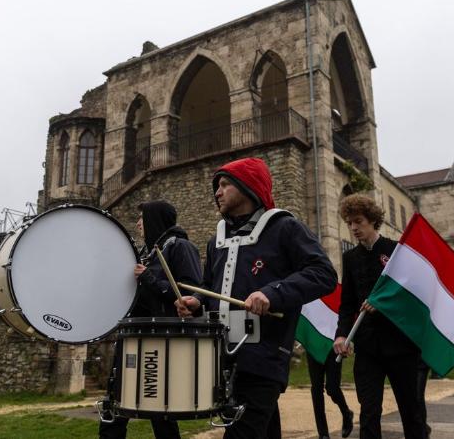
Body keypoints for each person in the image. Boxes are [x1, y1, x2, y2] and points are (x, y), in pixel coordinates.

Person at [176, 157, 337, 439]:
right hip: (225, 357)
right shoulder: (217, 240)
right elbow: (207, 284)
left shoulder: (285, 228)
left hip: (265, 356)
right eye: (217, 186)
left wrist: (271, 293)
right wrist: (197, 302)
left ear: (248, 186)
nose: (217, 192)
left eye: (225, 184)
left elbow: (323, 273)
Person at [99, 200, 202, 439]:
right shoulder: (148, 253)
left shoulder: (180, 247)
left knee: (161, 413)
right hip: (134, 336)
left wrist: (150, 279)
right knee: (115, 404)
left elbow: (191, 294)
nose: (137, 224)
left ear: (155, 220)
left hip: (161, 340)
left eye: (142, 218)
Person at [333, 194, 426, 439]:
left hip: (401, 346)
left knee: (411, 412)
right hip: (367, 348)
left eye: (358, 221)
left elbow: (413, 296)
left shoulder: (396, 251)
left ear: (373, 220)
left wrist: (384, 305)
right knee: (369, 412)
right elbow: (347, 304)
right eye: (349, 222)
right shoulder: (349, 258)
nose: (353, 228)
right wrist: (342, 335)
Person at [306, 347, 354, 439]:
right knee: (316, 390)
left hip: (332, 346)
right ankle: (323, 434)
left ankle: (346, 413)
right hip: (313, 346)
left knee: (332, 389)